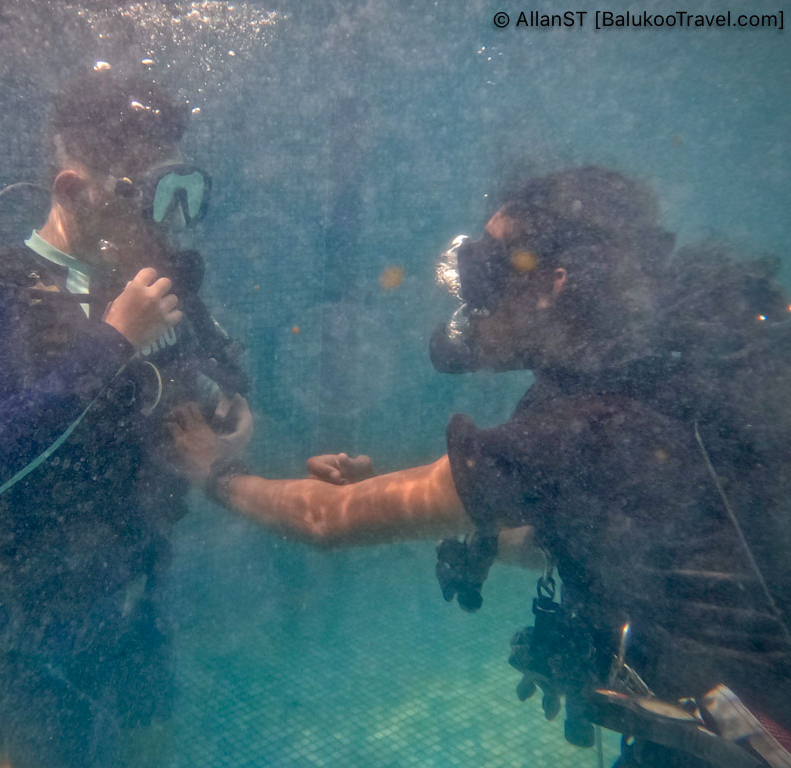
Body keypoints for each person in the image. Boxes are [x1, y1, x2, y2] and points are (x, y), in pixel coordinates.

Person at [170, 167, 791, 767]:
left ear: (555, 283)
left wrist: (217, 474)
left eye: (489, 271)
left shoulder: (588, 422)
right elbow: (593, 537)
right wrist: (470, 527)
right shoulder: (663, 375)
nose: (466, 294)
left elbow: (325, 519)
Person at [0, 67, 251, 768]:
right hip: (42, 605)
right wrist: (112, 341)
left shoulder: (146, 283)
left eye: (178, 192)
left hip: (142, 572)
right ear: (73, 188)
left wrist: (231, 426)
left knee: (149, 741)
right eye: (145, 196)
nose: (167, 222)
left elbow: (224, 375)